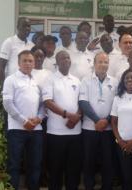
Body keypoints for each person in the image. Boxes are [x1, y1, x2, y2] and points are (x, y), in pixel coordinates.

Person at [3, 50, 44, 190]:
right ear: (18, 63)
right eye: (25, 60)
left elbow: (43, 104)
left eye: (30, 61)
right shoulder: (11, 79)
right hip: (17, 129)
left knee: (35, 164)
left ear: (34, 63)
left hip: (36, 130)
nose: (28, 63)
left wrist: (39, 118)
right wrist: (24, 121)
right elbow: (7, 103)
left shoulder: (36, 81)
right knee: (14, 165)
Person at [42, 50, 82, 190]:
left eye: (68, 58)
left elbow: (82, 102)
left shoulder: (77, 80)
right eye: (62, 58)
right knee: (55, 170)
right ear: (57, 62)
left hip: (75, 132)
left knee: (73, 170)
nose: (66, 60)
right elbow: (48, 102)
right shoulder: (50, 79)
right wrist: (67, 115)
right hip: (56, 133)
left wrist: (76, 117)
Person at [79, 52, 118, 190]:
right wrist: (97, 120)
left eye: (106, 62)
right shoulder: (85, 80)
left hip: (108, 130)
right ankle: (89, 186)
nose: (103, 65)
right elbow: (83, 102)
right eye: (100, 62)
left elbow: (116, 104)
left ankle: (107, 186)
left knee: (108, 161)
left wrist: (106, 121)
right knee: (89, 161)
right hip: (90, 128)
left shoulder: (114, 82)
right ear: (94, 64)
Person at [0, 17, 33, 85]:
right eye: (24, 26)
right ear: (18, 27)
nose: (27, 28)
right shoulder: (9, 42)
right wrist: (3, 86)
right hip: (13, 84)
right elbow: (1, 67)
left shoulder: (32, 45)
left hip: (27, 85)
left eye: (28, 26)